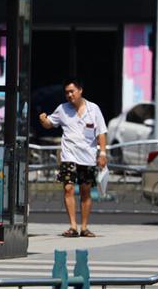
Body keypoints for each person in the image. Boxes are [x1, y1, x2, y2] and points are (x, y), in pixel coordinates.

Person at [39, 78, 108, 237]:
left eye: (72, 91)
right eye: (67, 92)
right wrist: (43, 120)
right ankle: (73, 226)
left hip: (88, 156)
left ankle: (84, 227)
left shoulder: (93, 109)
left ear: (80, 90)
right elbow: (50, 123)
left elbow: (101, 133)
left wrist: (102, 153)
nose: (69, 95)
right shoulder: (62, 109)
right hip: (68, 155)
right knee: (68, 188)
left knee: (85, 191)